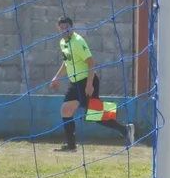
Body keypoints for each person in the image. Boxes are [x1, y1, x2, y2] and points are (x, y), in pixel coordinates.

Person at [50, 16, 130, 152]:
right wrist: (57, 77)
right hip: (74, 83)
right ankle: (71, 146)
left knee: (94, 114)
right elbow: (67, 62)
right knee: (66, 110)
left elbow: (91, 62)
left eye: (66, 27)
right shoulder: (63, 42)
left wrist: (89, 84)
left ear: (72, 27)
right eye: (61, 28)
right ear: (58, 29)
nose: (64, 30)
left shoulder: (78, 42)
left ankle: (125, 128)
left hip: (87, 81)